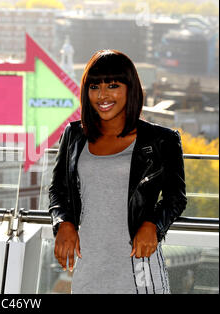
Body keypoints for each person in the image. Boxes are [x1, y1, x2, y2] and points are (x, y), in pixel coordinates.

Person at [48, 49, 187, 294]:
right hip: (89, 264)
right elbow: (57, 190)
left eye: (113, 85)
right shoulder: (74, 136)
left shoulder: (161, 140)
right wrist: (64, 223)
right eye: (94, 87)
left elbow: (176, 198)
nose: (102, 95)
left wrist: (153, 225)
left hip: (140, 266)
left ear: (129, 88)